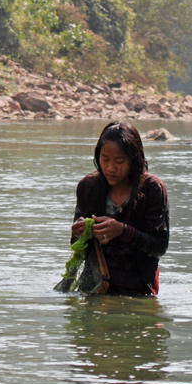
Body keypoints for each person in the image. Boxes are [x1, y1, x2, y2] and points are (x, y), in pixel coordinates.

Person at [70, 121, 169, 296]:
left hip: (140, 290)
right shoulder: (88, 187)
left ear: (134, 160)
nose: (110, 168)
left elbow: (159, 246)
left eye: (119, 161)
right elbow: (76, 246)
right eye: (105, 159)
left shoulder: (153, 189)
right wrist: (79, 233)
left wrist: (122, 231)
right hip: (96, 288)